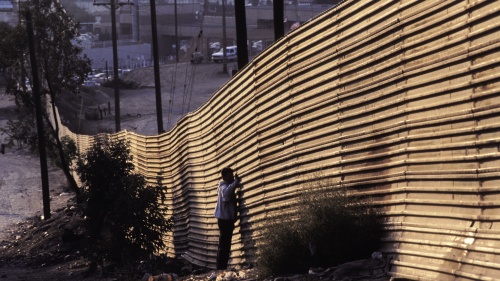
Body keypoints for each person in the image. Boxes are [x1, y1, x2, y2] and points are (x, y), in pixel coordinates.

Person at [214, 167, 241, 270]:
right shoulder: (223, 187)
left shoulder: (226, 186)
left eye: (232, 175)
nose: (232, 177)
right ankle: (221, 266)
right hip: (224, 221)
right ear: (224, 177)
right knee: (224, 244)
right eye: (230, 175)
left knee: (225, 244)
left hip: (227, 221)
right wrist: (236, 182)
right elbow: (226, 195)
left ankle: (221, 266)